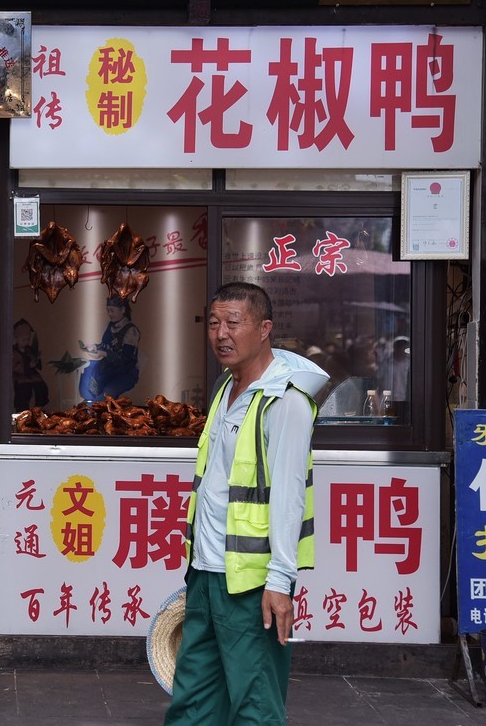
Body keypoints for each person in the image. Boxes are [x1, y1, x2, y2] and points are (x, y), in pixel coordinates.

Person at [165, 282, 328, 726]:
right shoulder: (226, 388)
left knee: (255, 704)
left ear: (264, 329)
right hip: (206, 572)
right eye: (214, 323)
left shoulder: (287, 401)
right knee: (193, 699)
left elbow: (290, 495)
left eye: (233, 323)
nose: (221, 333)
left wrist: (280, 579)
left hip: (253, 584)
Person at [78, 296, 140, 402]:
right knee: (87, 388)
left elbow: (125, 359)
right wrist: (95, 347)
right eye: (108, 310)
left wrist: (104, 354)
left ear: (123, 310)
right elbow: (105, 346)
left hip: (125, 372)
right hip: (109, 369)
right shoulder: (111, 326)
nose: (110, 314)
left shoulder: (131, 331)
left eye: (112, 310)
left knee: (105, 394)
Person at [12, 318, 49, 411]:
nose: (25, 342)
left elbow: (35, 362)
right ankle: (22, 411)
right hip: (20, 377)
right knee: (24, 391)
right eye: (23, 340)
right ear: (17, 338)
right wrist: (28, 366)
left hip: (32, 375)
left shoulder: (29, 349)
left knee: (42, 387)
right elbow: (14, 366)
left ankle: (39, 408)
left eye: (27, 340)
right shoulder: (13, 351)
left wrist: (36, 360)